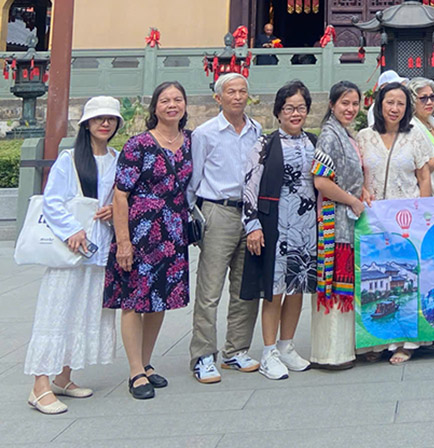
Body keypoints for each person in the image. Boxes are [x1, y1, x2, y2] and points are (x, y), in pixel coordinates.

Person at [25, 96, 122, 415]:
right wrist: (71, 230)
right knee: (57, 312)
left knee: (83, 312)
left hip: (100, 249)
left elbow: (121, 198)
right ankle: (39, 386)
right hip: (72, 248)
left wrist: (114, 210)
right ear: (86, 124)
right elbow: (52, 200)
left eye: (110, 119)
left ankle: (63, 377)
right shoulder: (69, 159)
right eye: (98, 118)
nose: (105, 123)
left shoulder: (117, 158)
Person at [105, 81, 192, 399]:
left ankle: (146, 362)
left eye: (178, 99)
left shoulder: (190, 142)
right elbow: (120, 195)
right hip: (141, 233)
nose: (172, 105)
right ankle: (134, 372)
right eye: (165, 100)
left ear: (185, 105)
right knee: (134, 300)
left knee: (160, 300)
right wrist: (123, 242)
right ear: (155, 107)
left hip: (173, 234)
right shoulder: (138, 144)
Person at [240, 81, 318, 380]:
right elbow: (249, 186)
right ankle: (269, 352)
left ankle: (287, 345)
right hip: (275, 224)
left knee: (297, 287)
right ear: (278, 112)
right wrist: (252, 225)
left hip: (306, 225)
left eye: (301, 108)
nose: (295, 114)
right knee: (273, 291)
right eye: (289, 108)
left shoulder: (314, 142)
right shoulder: (265, 144)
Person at [189, 73, 263, 384]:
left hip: (249, 214)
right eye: (231, 92)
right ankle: (203, 355)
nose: (237, 97)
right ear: (218, 98)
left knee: (245, 287)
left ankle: (236, 349)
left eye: (242, 91)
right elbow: (193, 179)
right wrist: (194, 218)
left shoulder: (257, 130)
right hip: (217, 210)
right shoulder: (205, 133)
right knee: (210, 289)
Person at [357, 82, 434, 364]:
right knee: (374, 279)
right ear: (379, 104)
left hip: (407, 218)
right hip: (374, 218)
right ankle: (378, 341)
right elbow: (356, 173)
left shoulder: (415, 136)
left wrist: (423, 211)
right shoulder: (364, 137)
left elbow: (424, 176)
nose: (395, 108)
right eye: (390, 102)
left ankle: (407, 341)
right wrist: (361, 190)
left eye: (401, 103)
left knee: (406, 279)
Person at [309, 81, 366, 370]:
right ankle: (331, 352)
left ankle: (342, 348)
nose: (350, 109)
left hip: (347, 217)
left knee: (345, 282)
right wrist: (353, 200)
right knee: (334, 284)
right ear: (332, 105)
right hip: (336, 217)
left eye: (355, 104)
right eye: (345, 103)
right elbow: (321, 181)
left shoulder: (345, 134)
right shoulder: (330, 136)